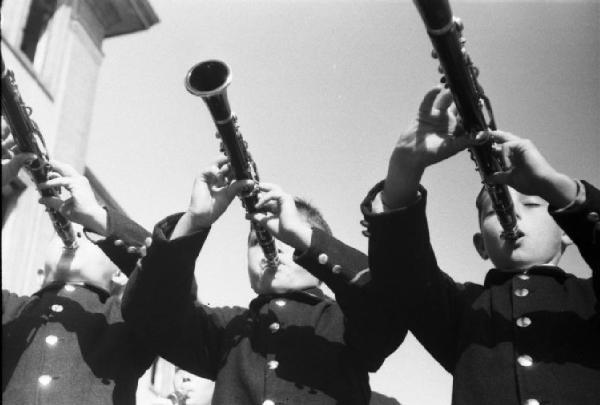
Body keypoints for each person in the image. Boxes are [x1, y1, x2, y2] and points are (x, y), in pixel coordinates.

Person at [360, 86, 600, 404]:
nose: (510, 212)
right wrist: (405, 165)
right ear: (481, 245)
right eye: (492, 210)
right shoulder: (464, 309)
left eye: (531, 204)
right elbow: (404, 274)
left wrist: (558, 188)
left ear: (566, 229)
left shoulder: (591, 298)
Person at [122, 157, 406, 404]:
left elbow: (390, 308)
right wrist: (194, 221)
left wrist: (303, 237)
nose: (272, 248)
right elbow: (149, 314)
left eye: (288, 239)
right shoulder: (230, 329)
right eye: (257, 241)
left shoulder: (345, 320)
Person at [2, 145, 156, 404]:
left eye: (88, 233)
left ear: (120, 274)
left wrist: (100, 218)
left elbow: (168, 279)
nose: (71, 233)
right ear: (42, 269)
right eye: (58, 231)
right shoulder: (11, 309)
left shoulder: (128, 320)